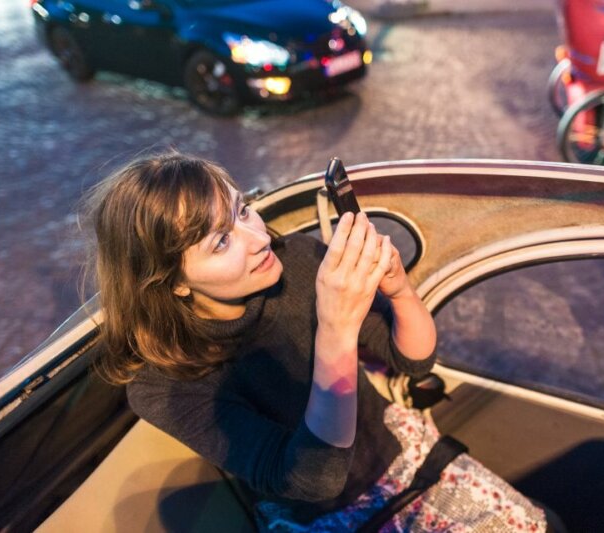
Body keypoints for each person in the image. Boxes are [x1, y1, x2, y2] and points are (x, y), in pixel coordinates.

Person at [84, 151, 548, 531]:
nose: (258, 238)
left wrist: (399, 289)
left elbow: (415, 361)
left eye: (243, 210)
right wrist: (335, 328)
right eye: (220, 242)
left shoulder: (301, 263)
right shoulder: (161, 386)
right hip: (320, 517)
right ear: (173, 282)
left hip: (403, 459)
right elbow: (313, 479)